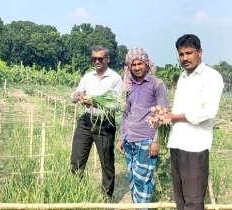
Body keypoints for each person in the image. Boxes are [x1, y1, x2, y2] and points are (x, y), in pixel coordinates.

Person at [167, 34, 224, 210]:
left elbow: (208, 111)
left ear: (200, 52)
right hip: (176, 143)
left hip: (195, 147)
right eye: (181, 54)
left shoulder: (211, 76)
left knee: (193, 200)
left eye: (189, 53)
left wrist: (175, 117)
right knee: (180, 198)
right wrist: (166, 115)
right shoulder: (183, 77)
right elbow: (181, 108)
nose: (184, 58)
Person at [70, 45, 123, 202]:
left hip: (105, 123)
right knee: (76, 159)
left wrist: (96, 103)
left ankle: (107, 197)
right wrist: (77, 95)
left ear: (108, 59)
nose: (97, 61)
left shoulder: (115, 78)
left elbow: (117, 104)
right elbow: (73, 95)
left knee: (107, 163)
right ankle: (74, 193)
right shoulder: (87, 77)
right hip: (86, 121)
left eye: (100, 58)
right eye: (94, 58)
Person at [117, 47, 169, 206]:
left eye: (140, 64)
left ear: (147, 64)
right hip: (129, 139)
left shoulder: (157, 84)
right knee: (132, 177)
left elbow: (163, 114)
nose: (137, 67)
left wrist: (156, 141)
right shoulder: (130, 86)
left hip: (146, 140)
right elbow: (126, 113)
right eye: (134, 65)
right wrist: (121, 137)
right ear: (129, 67)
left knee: (143, 180)